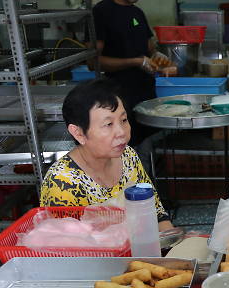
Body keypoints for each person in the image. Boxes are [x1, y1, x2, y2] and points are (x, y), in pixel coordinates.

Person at [40, 79, 173, 231]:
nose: (121, 132)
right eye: (108, 124)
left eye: (123, 120)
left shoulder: (127, 156)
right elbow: (65, 249)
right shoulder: (62, 184)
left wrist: (173, 240)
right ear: (79, 133)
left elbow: (155, 213)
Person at [92, 0, 167, 150]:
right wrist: (136, 62)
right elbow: (93, 61)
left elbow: (149, 47)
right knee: (126, 148)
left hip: (146, 95)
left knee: (147, 147)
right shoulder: (102, 11)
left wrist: (158, 55)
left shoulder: (137, 12)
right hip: (120, 97)